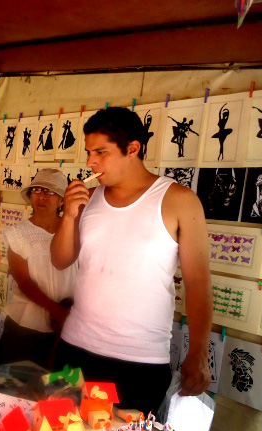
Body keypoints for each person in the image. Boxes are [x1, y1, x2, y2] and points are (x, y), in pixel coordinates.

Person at [51, 107, 212, 413]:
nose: (90, 163)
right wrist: (70, 215)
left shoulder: (179, 200)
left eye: (101, 152)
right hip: (75, 348)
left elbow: (198, 283)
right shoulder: (89, 198)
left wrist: (198, 353)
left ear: (133, 149)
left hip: (139, 361)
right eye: (89, 152)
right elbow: (60, 260)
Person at [0, 169, 77, 369]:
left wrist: (67, 313)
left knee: (57, 391)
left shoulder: (76, 232)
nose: (42, 196)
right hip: (24, 326)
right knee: (12, 387)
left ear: (62, 201)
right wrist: (56, 310)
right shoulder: (17, 234)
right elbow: (23, 282)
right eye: (38, 190)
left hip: (67, 325)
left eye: (50, 192)